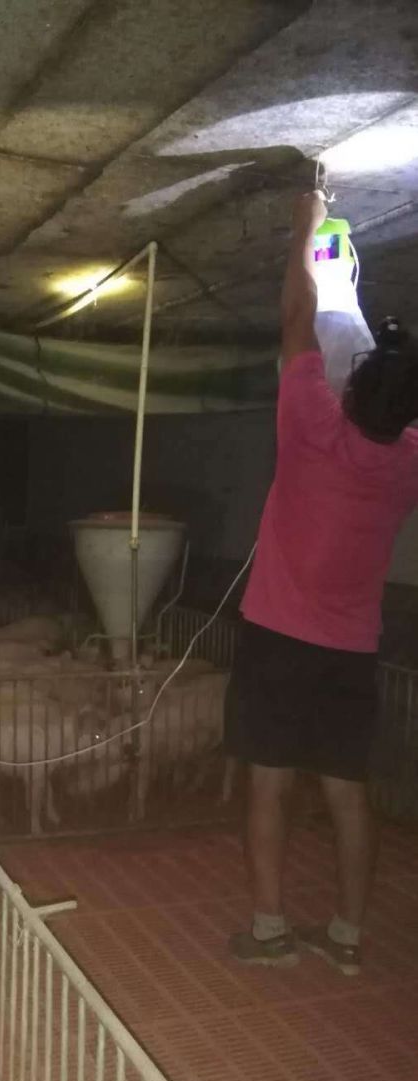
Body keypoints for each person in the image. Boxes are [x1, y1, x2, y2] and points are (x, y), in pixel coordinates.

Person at [226, 190, 418, 976]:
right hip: (351, 651)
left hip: (277, 637)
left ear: (353, 388)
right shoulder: (407, 465)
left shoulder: (311, 424)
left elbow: (297, 318)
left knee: (269, 783)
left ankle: (270, 930)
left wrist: (307, 224)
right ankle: (345, 936)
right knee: (347, 791)